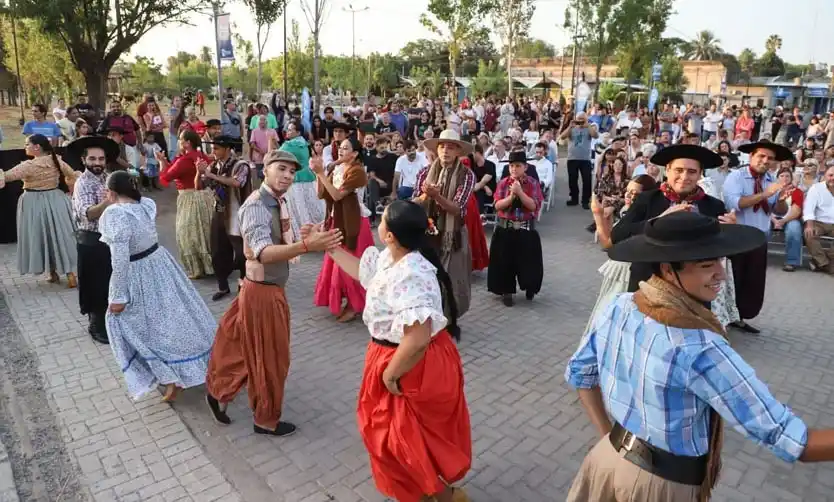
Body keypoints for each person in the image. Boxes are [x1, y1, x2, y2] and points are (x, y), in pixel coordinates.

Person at [564, 210, 834, 501]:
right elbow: (790, 439)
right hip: (660, 486)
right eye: (707, 264)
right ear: (668, 270)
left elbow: (580, 374)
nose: (720, 272)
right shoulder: (699, 347)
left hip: (608, 458)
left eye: (720, 260)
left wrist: (607, 434)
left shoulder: (622, 304)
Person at [306, 200, 471, 502]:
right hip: (397, 357)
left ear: (390, 235)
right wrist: (329, 247)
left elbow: (418, 338)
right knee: (397, 439)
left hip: (409, 363)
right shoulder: (393, 258)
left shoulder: (411, 273)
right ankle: (433, 493)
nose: (377, 224)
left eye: (381, 220)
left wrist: (391, 376)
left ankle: (441, 495)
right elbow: (365, 274)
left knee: (402, 441)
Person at [205, 150, 343, 436]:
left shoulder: (277, 201)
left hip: (263, 289)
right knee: (272, 358)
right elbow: (263, 252)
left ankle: (219, 393)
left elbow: (278, 241)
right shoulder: (257, 205)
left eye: (292, 172)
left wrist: (305, 236)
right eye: (281, 169)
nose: (287, 176)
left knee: (240, 348)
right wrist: (308, 246)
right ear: (265, 170)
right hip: (262, 294)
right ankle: (264, 420)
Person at [100, 171, 217, 401]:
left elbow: (120, 261)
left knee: (140, 326)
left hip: (139, 273)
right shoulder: (145, 204)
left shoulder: (115, 214)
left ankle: (169, 376)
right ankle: (186, 369)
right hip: (161, 264)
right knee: (175, 317)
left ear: (111, 193)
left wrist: (117, 296)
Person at [612, 144, 737, 293]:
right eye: (679, 170)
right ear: (668, 171)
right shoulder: (647, 199)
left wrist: (731, 232)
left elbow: (723, 252)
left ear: (699, 175)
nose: (684, 177)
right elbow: (618, 235)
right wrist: (657, 221)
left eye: (691, 172)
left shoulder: (713, 206)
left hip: (695, 289)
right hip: (648, 283)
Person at [723, 140, 794, 333]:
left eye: (770, 158)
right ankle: (724, 320)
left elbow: (778, 211)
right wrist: (765, 194)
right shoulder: (736, 177)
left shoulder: (771, 180)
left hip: (760, 238)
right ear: (752, 157)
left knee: (752, 282)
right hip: (736, 237)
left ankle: (741, 318)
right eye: (761, 156)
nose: (766, 161)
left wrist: (779, 200)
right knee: (732, 280)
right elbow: (735, 202)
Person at [0, 134, 79, 286]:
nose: (25, 147)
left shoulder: (29, 166)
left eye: (27, 144)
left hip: (34, 203)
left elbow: (7, 177)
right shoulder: (57, 160)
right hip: (56, 200)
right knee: (60, 236)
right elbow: (73, 175)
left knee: (42, 237)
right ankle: (69, 274)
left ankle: (54, 272)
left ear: (36, 147)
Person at [413, 130, 476, 318]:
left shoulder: (466, 175)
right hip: (428, 233)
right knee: (426, 278)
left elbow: (457, 208)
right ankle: (429, 318)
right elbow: (414, 202)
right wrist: (425, 196)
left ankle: (449, 319)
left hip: (453, 234)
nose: (445, 151)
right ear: (436, 150)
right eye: (442, 146)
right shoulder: (425, 172)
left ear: (458, 151)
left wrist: (436, 196)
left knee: (452, 280)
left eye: (451, 147)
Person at [312, 136, 374, 323]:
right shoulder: (337, 168)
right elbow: (322, 193)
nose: (341, 150)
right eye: (340, 147)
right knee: (337, 263)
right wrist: (319, 173)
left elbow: (338, 195)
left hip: (353, 223)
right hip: (337, 221)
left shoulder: (358, 172)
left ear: (355, 154)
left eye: (346, 148)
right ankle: (345, 301)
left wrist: (322, 173)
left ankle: (355, 305)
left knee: (352, 265)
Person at [585, 175, 658, 333]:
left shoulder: (641, 220)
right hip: (619, 269)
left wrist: (597, 214)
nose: (628, 196)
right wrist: (607, 218)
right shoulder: (628, 212)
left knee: (611, 319)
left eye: (634, 193)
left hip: (626, 273)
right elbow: (614, 236)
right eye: (628, 191)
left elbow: (608, 244)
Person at [68, 136, 121, 345]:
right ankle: (96, 326)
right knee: (95, 286)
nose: (97, 163)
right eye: (92, 159)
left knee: (110, 283)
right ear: (84, 160)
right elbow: (87, 214)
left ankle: (112, 323)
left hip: (110, 239)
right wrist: (108, 202)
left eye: (100, 159)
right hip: (91, 240)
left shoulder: (108, 178)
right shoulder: (83, 183)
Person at [196, 136, 251, 301]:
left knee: (241, 254)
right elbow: (199, 186)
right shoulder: (214, 166)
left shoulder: (241, 165)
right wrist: (199, 173)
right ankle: (223, 286)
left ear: (227, 149)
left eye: (217, 148)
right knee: (218, 250)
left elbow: (236, 183)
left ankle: (244, 285)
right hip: (219, 210)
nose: (213, 152)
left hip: (237, 213)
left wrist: (210, 175)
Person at [488, 151, 544, 306]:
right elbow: (497, 205)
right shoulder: (504, 183)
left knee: (529, 263)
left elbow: (534, 206)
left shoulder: (532, 183)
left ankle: (529, 288)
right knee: (505, 262)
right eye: (511, 166)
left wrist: (520, 192)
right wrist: (512, 197)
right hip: (506, 228)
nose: (514, 169)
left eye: (518, 166)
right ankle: (507, 292)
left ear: (525, 167)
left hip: (526, 229)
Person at [156, 130, 215, 279]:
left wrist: (160, 163)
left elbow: (165, 178)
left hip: (189, 198)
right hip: (205, 196)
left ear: (187, 142)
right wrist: (164, 161)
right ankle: (211, 265)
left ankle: (197, 269)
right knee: (205, 231)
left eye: (181, 139)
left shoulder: (184, 160)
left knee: (188, 234)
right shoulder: (200, 156)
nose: (179, 142)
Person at [280, 121, 324, 240]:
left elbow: (274, 156)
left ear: (298, 132)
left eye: (290, 129)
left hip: (296, 181)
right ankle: (321, 231)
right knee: (314, 207)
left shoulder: (288, 145)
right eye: (287, 129)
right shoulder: (304, 143)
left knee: (298, 210)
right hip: (309, 178)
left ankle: (305, 236)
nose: (287, 132)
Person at [560, 112, 599, 209]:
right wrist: (570, 126)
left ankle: (585, 200)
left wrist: (588, 125)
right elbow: (562, 136)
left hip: (585, 159)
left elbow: (595, 135)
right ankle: (574, 198)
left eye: (583, 119)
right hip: (572, 158)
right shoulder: (572, 128)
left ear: (586, 119)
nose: (580, 122)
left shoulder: (589, 128)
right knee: (572, 180)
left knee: (587, 180)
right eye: (579, 119)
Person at [802, 164, 834, 273]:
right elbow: (809, 209)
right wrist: (809, 225)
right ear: (825, 175)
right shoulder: (816, 188)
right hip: (819, 222)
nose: (833, 178)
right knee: (809, 234)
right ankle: (825, 264)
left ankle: (822, 262)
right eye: (830, 175)